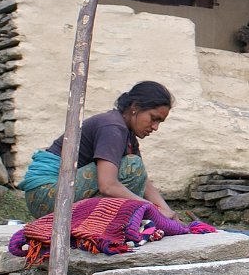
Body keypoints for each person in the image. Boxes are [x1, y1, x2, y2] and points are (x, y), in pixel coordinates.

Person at [17, 81, 178, 219]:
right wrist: (154, 210)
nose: (155, 127)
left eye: (160, 122)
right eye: (153, 118)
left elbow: (143, 180)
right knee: (132, 166)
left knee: (135, 168)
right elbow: (107, 186)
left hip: (54, 194)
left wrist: (168, 212)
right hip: (45, 194)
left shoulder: (127, 134)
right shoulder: (112, 127)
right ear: (135, 107)